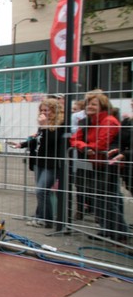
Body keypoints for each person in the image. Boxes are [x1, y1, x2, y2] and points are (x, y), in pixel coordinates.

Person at [71, 91, 128, 240]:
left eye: (93, 104)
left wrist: (86, 146)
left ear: (102, 106)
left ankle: (120, 233)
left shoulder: (109, 121)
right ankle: (106, 230)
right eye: (88, 104)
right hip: (94, 164)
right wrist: (84, 147)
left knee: (107, 201)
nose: (89, 106)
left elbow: (101, 144)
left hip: (107, 166)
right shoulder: (88, 121)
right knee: (99, 200)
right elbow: (74, 139)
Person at [10, 98, 65, 227]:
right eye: (41, 110)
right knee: (40, 191)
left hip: (51, 164)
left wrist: (45, 126)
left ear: (54, 111)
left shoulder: (60, 125)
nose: (43, 113)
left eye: (47, 110)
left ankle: (47, 220)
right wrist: (21, 144)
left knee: (41, 190)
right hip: (39, 162)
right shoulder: (43, 125)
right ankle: (40, 216)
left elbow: (52, 142)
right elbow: (37, 140)